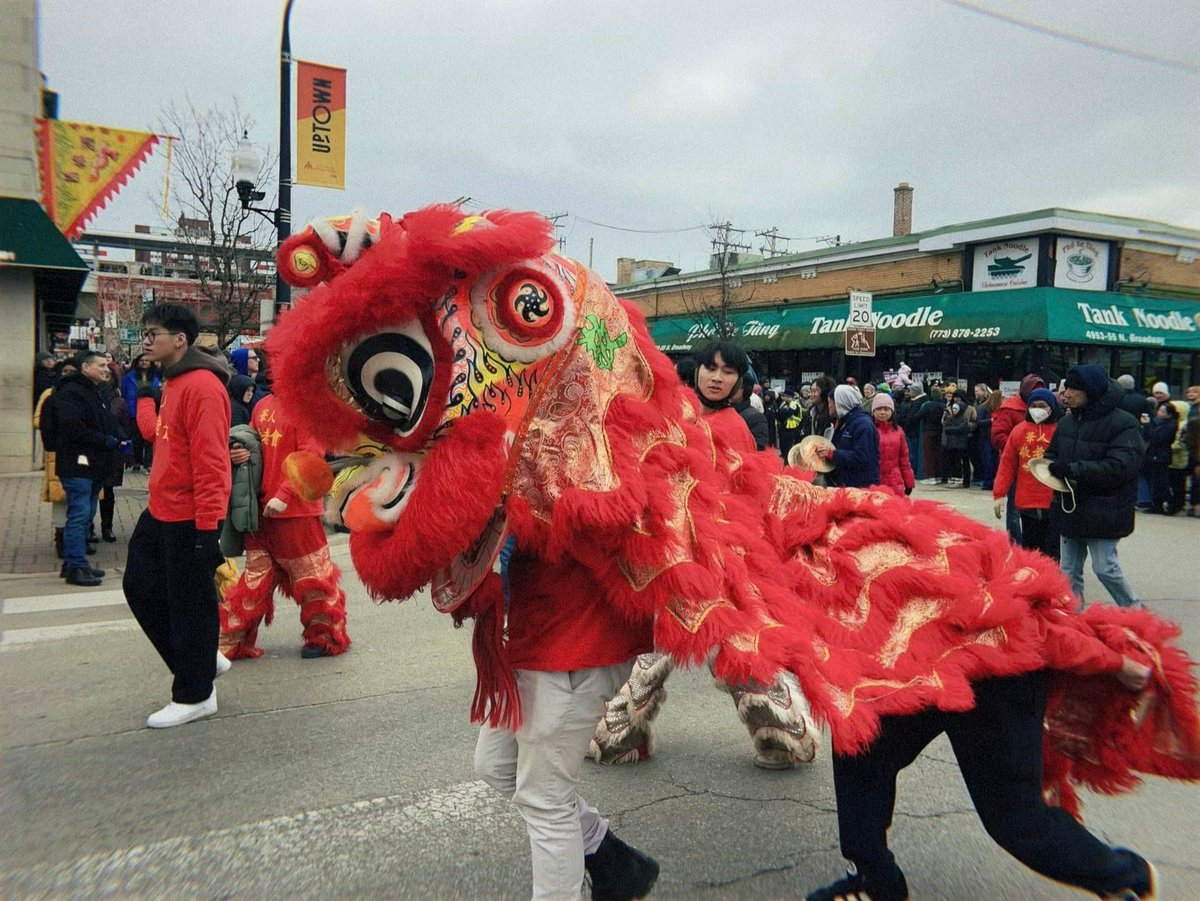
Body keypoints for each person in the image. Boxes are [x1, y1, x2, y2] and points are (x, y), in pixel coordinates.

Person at [590, 340, 820, 772]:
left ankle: (782, 735)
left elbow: (748, 490)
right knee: (657, 641)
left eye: (727, 371)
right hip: (670, 545)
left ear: (739, 380)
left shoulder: (739, 425)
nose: (717, 377)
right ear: (695, 371)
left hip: (721, 550)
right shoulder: (673, 411)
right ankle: (621, 733)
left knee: (734, 643)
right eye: (710, 368)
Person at [804, 661, 1158, 901]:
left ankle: (1125, 876)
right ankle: (875, 880)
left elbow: (1036, 598)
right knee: (859, 748)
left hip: (992, 669)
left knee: (1016, 819)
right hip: (911, 662)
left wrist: (1110, 659)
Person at [124, 304, 233, 728]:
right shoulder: (172, 381)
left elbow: (212, 464)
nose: (146, 340)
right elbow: (157, 436)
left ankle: (195, 694)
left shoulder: (202, 387)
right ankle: (202, 661)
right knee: (139, 584)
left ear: (180, 340)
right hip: (161, 509)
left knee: (191, 604)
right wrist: (145, 397)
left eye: (154, 333)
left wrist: (208, 529)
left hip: (189, 515)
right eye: (145, 333)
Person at [219, 391, 352, 660]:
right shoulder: (262, 405)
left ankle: (325, 637)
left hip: (297, 514)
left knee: (313, 580)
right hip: (262, 513)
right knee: (254, 582)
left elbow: (311, 456)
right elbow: (253, 442)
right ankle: (229, 641)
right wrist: (240, 452)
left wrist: (284, 495)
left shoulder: (306, 407)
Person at [1044, 364, 1144, 609]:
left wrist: (1074, 469)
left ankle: (1136, 613)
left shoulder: (1124, 423)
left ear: (1091, 391)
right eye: (1066, 388)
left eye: (1073, 389)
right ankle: (1073, 619)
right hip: (1070, 507)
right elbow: (1052, 455)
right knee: (1068, 571)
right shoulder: (1066, 422)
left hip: (1105, 509)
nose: (1066, 394)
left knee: (1105, 568)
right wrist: (1048, 467)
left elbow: (1121, 467)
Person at [52, 351, 127, 586]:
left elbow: (105, 422)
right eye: (101, 365)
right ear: (85, 367)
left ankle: (75, 563)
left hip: (93, 465)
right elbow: (73, 428)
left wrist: (119, 439)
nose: (106, 369)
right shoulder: (72, 392)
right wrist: (105, 440)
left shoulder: (93, 391)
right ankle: (75, 566)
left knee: (85, 514)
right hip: (77, 465)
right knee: (79, 514)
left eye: (107, 365)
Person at [992, 388, 1061, 560]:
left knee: (1052, 551)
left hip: (1054, 500)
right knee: (1030, 549)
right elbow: (1007, 464)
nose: (1037, 410)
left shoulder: (1061, 431)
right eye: (1033, 405)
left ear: (1052, 407)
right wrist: (999, 494)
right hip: (1027, 501)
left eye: (1042, 406)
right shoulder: (1019, 431)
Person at [34, 359, 79, 563]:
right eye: (66, 370)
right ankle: (61, 538)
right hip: (57, 455)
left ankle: (80, 537)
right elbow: (38, 419)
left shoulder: (84, 393)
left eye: (73, 371)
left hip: (82, 453)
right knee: (60, 499)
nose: (69, 374)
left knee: (81, 501)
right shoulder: (50, 393)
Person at [992, 373, 1046, 542]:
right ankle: (1016, 543)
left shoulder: (1049, 411)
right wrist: (1018, 446)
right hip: (1017, 465)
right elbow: (997, 435)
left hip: (1041, 466)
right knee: (1015, 508)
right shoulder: (1009, 409)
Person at [816, 384, 879, 488]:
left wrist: (833, 454)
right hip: (845, 484)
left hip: (860, 486)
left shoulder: (863, 424)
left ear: (839, 403)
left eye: (830, 403)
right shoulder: (843, 421)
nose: (828, 406)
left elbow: (862, 458)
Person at [121, 354, 161, 472]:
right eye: (141, 360)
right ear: (137, 362)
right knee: (136, 437)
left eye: (147, 360)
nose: (144, 363)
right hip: (134, 409)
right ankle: (136, 462)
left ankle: (148, 463)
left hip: (152, 408)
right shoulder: (129, 377)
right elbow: (124, 392)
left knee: (150, 437)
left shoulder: (156, 376)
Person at [871, 393, 913, 496]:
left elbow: (904, 458)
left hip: (894, 480)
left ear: (891, 411)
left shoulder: (898, 431)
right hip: (874, 480)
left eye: (886, 409)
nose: (882, 412)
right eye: (879, 409)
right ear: (873, 411)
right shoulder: (869, 430)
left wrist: (909, 482)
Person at [1143, 399, 1178, 516]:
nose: (1159, 413)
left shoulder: (1171, 425)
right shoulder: (1158, 422)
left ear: (1169, 414)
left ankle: (1170, 504)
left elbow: (1157, 438)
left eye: (1163, 411)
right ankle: (1156, 505)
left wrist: (1147, 425)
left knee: (1162, 482)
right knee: (1154, 482)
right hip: (1152, 454)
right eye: (1159, 410)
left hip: (1161, 456)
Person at [940, 394, 972, 487]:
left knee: (961, 462)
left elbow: (959, 429)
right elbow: (945, 427)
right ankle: (952, 479)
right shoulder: (951, 418)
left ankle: (960, 480)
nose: (954, 410)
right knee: (953, 462)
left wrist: (951, 429)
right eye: (953, 409)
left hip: (961, 445)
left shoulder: (963, 419)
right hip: (952, 444)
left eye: (956, 409)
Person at [917, 386, 944, 481]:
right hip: (940, 432)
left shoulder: (927, 406)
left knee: (929, 454)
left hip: (928, 431)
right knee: (939, 454)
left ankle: (931, 476)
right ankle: (939, 476)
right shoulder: (943, 406)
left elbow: (918, 416)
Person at [230, 346, 268, 411]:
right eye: (254, 358)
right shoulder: (236, 388)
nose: (258, 360)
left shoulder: (253, 382)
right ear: (243, 361)